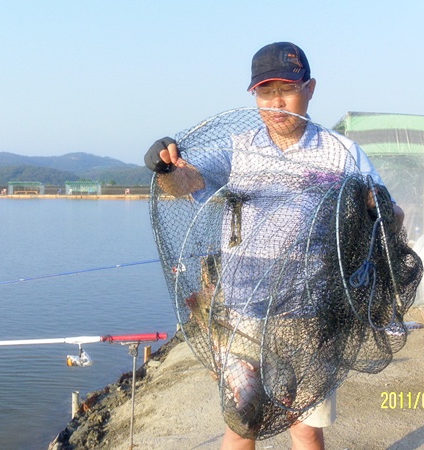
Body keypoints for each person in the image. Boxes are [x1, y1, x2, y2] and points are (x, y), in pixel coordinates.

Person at [145, 42, 404, 450]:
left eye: (288, 89)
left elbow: (393, 215)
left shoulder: (342, 152)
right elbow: (184, 183)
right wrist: (163, 167)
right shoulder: (238, 148)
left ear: (310, 89)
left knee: (306, 427)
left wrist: (380, 209)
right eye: (266, 92)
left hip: (313, 317)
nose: (277, 102)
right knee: (241, 425)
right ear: (254, 96)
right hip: (243, 318)